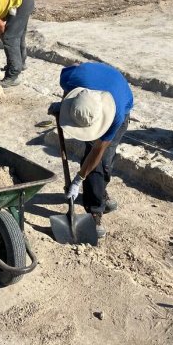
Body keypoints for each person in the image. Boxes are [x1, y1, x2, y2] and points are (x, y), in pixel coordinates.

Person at [48, 62, 134, 238]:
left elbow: (97, 152)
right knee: (95, 166)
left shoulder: (115, 116)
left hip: (121, 100)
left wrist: (78, 179)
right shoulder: (69, 78)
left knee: (102, 161)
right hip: (94, 91)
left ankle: (98, 193)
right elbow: (72, 71)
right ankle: (95, 207)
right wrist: (65, 104)